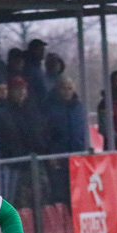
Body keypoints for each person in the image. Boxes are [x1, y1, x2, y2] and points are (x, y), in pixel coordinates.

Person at [45, 76, 87, 204]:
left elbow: (83, 131)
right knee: (59, 192)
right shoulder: (50, 107)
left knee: (77, 190)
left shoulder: (78, 107)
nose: (67, 92)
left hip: (77, 156)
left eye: (70, 89)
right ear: (57, 89)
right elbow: (45, 133)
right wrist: (50, 153)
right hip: (58, 156)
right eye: (64, 88)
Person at [23, 38, 48, 105]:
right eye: (40, 49)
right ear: (33, 50)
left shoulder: (38, 67)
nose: (42, 52)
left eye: (43, 50)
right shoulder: (28, 67)